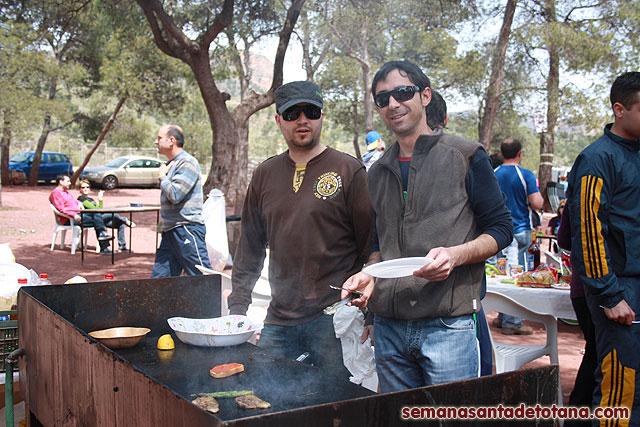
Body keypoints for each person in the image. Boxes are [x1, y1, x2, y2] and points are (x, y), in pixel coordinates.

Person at [342, 60, 513, 392]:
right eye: (383, 98)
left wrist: (455, 255)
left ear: (424, 96)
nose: (393, 103)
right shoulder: (377, 171)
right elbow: (380, 243)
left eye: (402, 93)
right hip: (390, 328)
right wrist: (369, 275)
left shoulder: (465, 156)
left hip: (447, 326)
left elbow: (501, 229)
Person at [227, 81, 373, 379]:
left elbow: (372, 245)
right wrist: (238, 307)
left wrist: (370, 312)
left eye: (311, 111)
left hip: (333, 318)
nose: (302, 119)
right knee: (268, 398)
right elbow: (250, 248)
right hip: (279, 319)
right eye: (292, 113)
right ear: (279, 120)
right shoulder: (265, 174)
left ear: (321, 116)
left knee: (338, 404)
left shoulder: (349, 170)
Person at [567, 71, 640, 424]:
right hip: (618, 288)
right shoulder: (597, 158)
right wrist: (609, 295)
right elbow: (587, 231)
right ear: (620, 110)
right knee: (620, 384)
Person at [492, 138, 544, 335]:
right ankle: (512, 322)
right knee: (518, 276)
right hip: (520, 229)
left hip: (498, 232)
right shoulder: (525, 175)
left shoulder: (494, 174)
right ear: (520, 154)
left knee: (501, 274)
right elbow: (536, 202)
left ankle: (503, 316)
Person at [151, 124, 212, 277]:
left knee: (201, 277)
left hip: (186, 229)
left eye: (159, 138)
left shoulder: (187, 163)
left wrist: (162, 177)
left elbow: (176, 195)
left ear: (171, 140)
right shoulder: (171, 164)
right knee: (160, 280)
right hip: (171, 230)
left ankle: (217, 302)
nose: (155, 142)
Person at [557, 204, 596, 426]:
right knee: (597, 354)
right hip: (598, 287)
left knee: (595, 353)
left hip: (584, 287)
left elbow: (564, 239)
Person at [49, 174, 114, 254]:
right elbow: (61, 209)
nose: (70, 183)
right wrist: (74, 215)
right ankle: (103, 244)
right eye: (68, 181)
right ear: (61, 182)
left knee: (96, 215)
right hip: (70, 219)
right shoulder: (56, 193)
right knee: (97, 219)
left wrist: (79, 202)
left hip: (80, 215)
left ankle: (103, 238)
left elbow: (73, 201)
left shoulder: (66, 192)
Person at [77, 179, 136, 252]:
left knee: (120, 224)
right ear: (80, 189)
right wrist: (99, 203)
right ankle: (124, 219)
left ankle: (122, 246)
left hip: (99, 217)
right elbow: (94, 209)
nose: (85, 189)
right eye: (83, 187)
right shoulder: (81, 198)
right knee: (113, 213)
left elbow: (99, 209)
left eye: (87, 187)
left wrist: (100, 200)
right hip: (93, 219)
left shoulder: (90, 199)